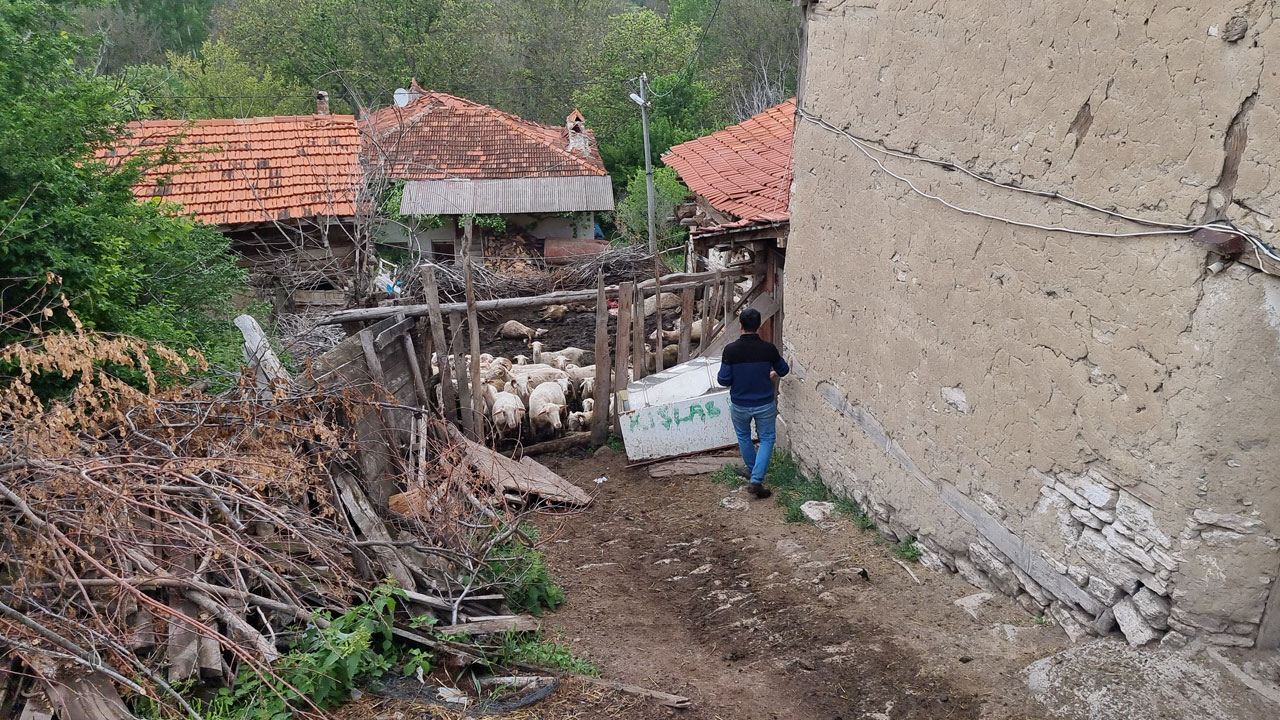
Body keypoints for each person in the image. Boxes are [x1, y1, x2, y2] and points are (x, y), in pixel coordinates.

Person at [716, 308, 789, 498]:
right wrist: (771, 373)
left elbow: (723, 380)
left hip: (740, 404)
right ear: (759, 325)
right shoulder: (768, 349)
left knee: (743, 436)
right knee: (767, 439)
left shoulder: (730, 350)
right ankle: (756, 479)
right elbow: (783, 369)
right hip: (764, 403)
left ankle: (752, 471)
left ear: (740, 325)